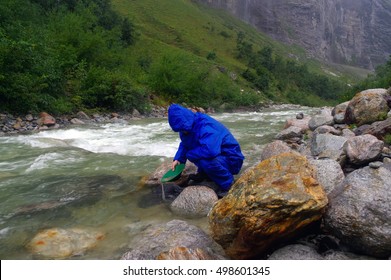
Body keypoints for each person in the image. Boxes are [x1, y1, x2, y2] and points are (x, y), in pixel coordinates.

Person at [168, 104, 244, 196]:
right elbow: (185, 143)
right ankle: (205, 174)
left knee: (205, 159)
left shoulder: (206, 126)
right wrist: (179, 159)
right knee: (198, 153)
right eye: (181, 130)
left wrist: (189, 154)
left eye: (183, 129)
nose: (183, 132)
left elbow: (210, 151)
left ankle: (228, 184)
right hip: (218, 155)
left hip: (231, 158)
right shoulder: (187, 126)